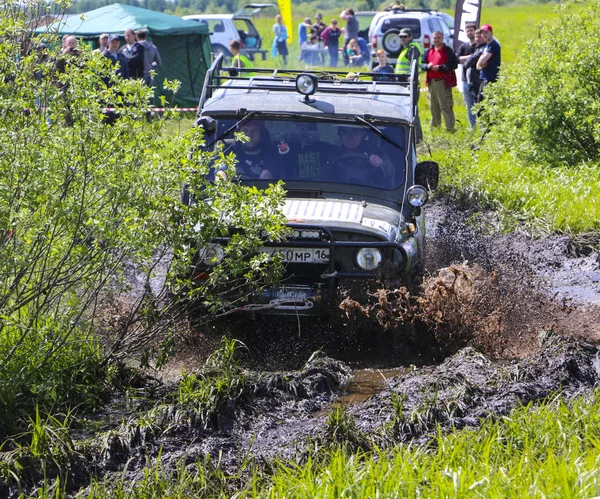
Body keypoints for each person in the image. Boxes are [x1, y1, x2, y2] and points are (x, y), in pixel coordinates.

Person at [327, 126, 392, 186]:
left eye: (354, 130)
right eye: (343, 131)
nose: (349, 136)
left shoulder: (376, 152)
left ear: (363, 133)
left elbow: (390, 170)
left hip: (370, 193)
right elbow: (325, 175)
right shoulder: (336, 153)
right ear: (340, 134)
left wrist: (380, 162)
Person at [422, 31, 458, 131]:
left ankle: (450, 128)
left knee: (445, 106)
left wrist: (440, 68)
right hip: (431, 82)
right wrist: (427, 66)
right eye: (434, 38)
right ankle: (435, 128)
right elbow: (422, 64)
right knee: (434, 107)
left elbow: (453, 64)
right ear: (432, 39)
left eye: (438, 38)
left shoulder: (448, 51)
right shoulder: (429, 51)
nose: (436, 40)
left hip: (443, 82)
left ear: (442, 38)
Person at [394, 28, 423, 142]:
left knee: (412, 111)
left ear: (410, 37)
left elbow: (413, 67)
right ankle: (412, 136)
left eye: (405, 37)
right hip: (404, 83)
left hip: (409, 83)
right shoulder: (406, 49)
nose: (402, 39)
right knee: (406, 110)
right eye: (401, 37)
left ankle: (417, 138)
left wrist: (411, 82)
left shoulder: (412, 48)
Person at [456, 23, 478, 129]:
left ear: (475, 31)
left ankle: (483, 128)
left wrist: (466, 58)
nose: (469, 33)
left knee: (479, 105)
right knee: (469, 106)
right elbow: (457, 59)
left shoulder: (479, 46)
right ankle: (472, 128)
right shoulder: (464, 46)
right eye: (467, 31)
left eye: (471, 30)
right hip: (464, 80)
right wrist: (472, 57)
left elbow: (479, 57)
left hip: (478, 80)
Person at [476, 24, 501, 99]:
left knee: (484, 104)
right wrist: (481, 64)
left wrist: (481, 64)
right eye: (482, 33)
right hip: (484, 78)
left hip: (490, 79)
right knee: (480, 103)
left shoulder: (493, 45)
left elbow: (480, 62)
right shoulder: (487, 46)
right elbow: (478, 65)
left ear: (491, 33)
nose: (484, 35)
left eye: (486, 33)